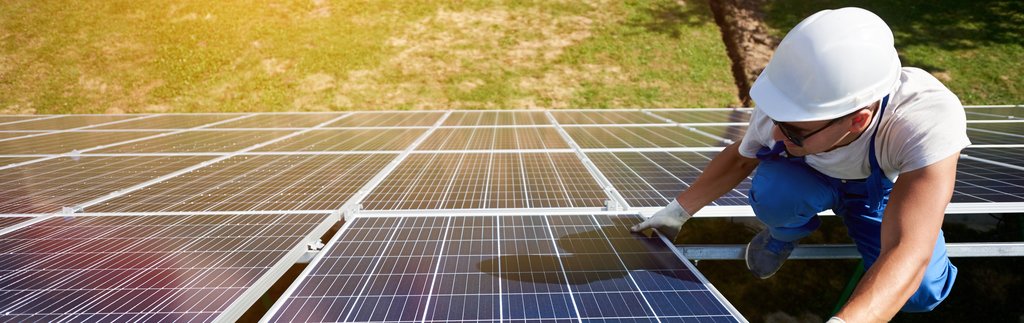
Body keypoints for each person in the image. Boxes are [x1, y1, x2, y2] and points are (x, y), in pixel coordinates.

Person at [630, 7, 968, 322]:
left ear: (858, 120)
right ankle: (782, 234)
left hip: (875, 189)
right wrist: (677, 211)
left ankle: (863, 216)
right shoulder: (790, 102)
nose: (775, 132)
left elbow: (907, 250)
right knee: (776, 194)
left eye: (794, 129)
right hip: (806, 176)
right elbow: (739, 158)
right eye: (779, 118)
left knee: (921, 293)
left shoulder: (924, 122)